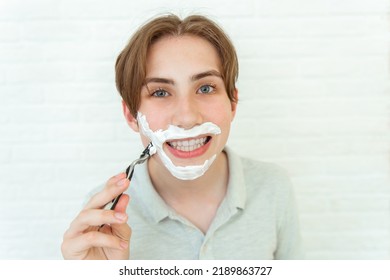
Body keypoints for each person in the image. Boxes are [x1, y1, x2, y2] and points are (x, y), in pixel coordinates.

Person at [61, 14, 303, 260]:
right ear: (131, 116)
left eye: (205, 88)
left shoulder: (273, 187)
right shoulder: (104, 218)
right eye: (161, 92)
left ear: (232, 103)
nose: (187, 117)